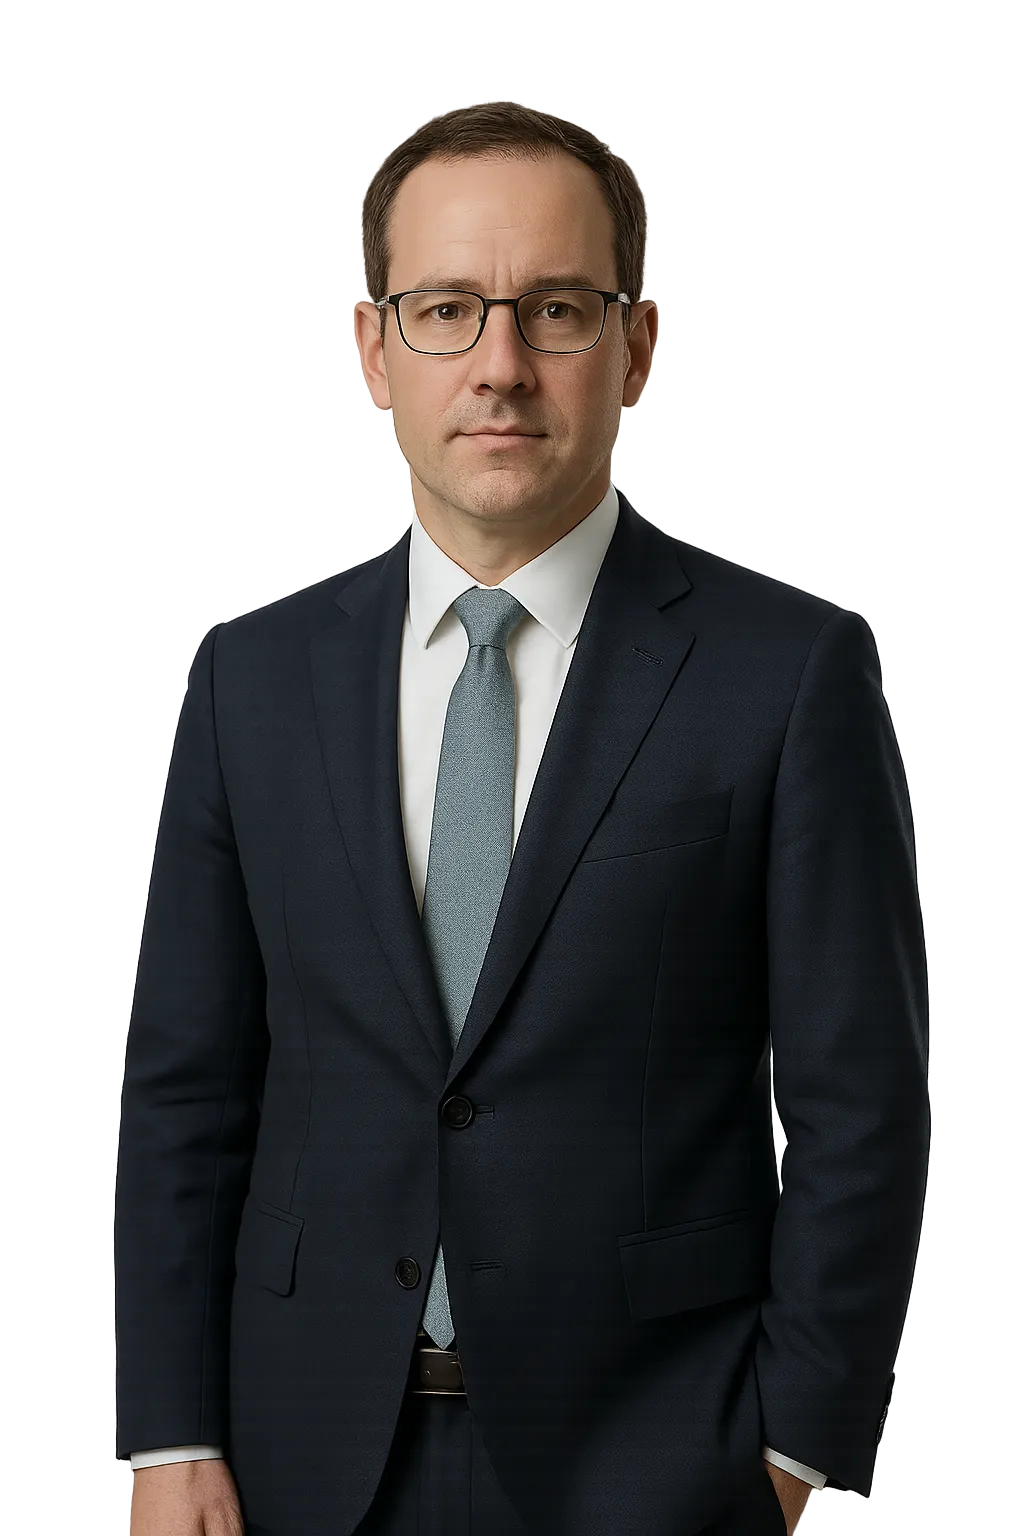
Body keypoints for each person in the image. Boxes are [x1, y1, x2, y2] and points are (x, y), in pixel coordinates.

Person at [113, 103, 930, 1536]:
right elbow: (188, 1086)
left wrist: (797, 1447)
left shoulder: (787, 675)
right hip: (294, 1456)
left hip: (659, 1456)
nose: (499, 367)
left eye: (555, 308)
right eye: (445, 309)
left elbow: (860, 1101)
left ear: (638, 345)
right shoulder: (248, 679)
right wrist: (166, 1430)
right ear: (371, 350)